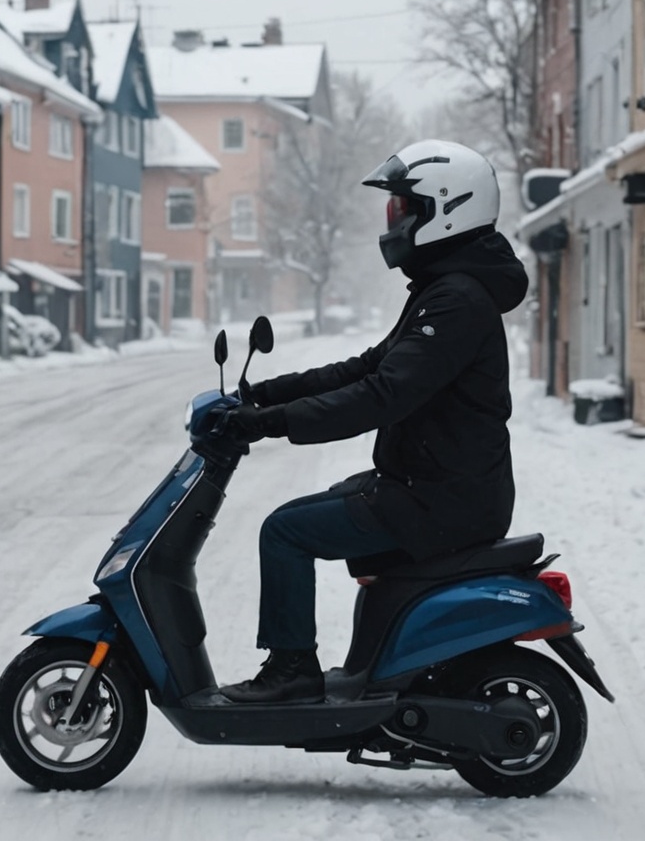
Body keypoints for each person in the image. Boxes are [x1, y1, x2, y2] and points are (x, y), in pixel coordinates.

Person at [214, 139, 529, 704]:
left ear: (445, 209)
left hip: (441, 501)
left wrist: (269, 424)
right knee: (332, 501)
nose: (395, 221)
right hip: (437, 489)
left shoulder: (456, 299)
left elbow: (383, 394)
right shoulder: (446, 290)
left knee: (285, 530)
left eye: (403, 208)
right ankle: (357, 665)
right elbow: (367, 367)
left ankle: (292, 671)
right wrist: (262, 394)